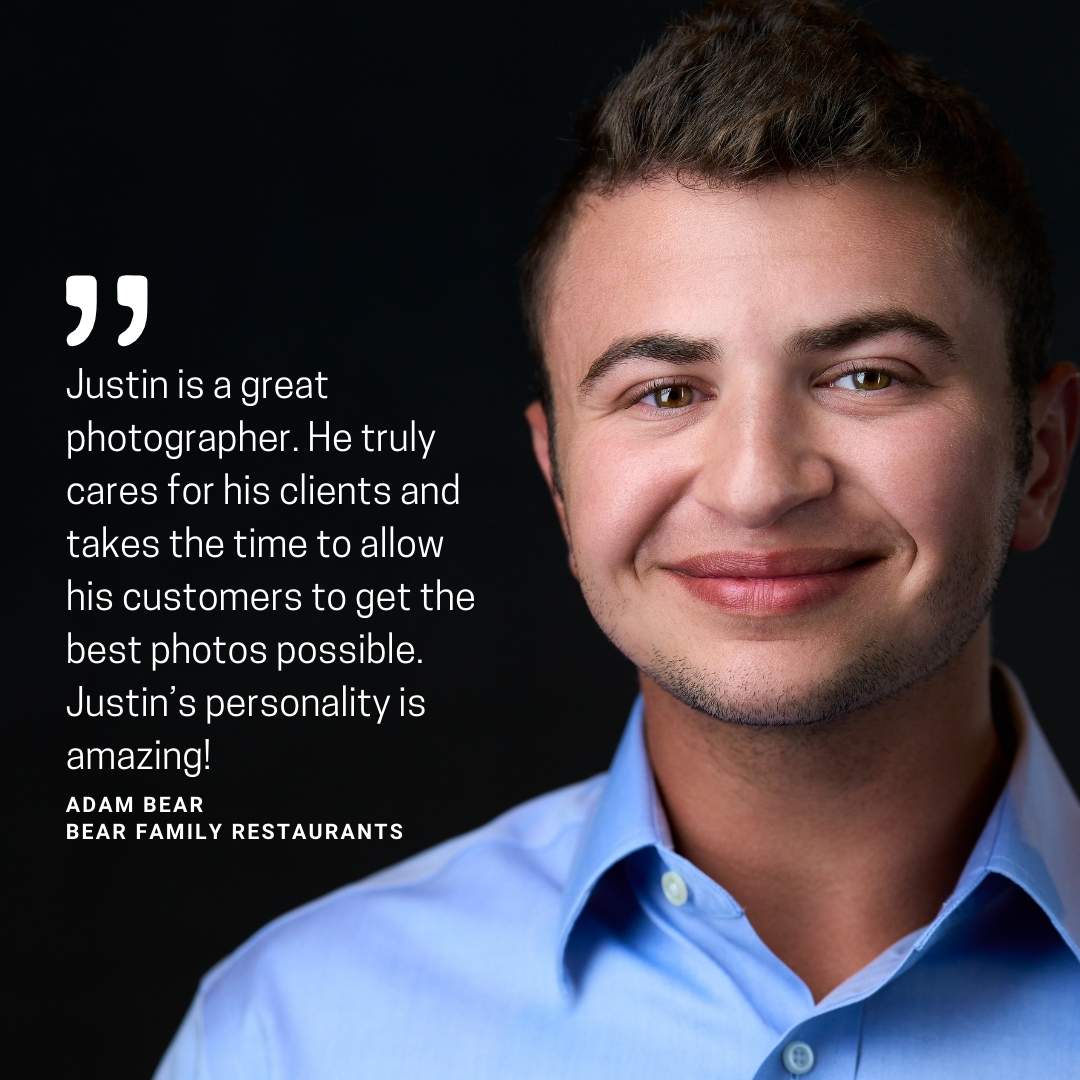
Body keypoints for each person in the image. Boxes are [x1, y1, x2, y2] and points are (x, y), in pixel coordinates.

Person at [156, 1, 1080, 1075]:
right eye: (664, 391)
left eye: (866, 377)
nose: (757, 487)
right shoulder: (294, 1032)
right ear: (558, 478)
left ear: (1040, 458)